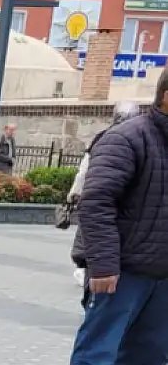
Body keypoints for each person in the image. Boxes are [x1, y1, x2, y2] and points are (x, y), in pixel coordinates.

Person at [63, 73, 168, 365]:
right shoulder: (128, 138)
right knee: (99, 350)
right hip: (120, 270)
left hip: (163, 273)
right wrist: (103, 265)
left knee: (152, 352)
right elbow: (96, 202)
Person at [66, 102, 141, 306]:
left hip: (107, 211)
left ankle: (91, 291)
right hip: (126, 215)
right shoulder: (142, 137)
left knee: (93, 248)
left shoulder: (104, 137)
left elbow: (84, 172)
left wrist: (73, 194)